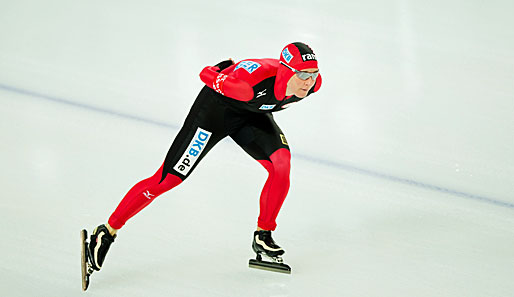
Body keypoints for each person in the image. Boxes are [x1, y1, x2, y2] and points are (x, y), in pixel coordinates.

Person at [86, 42, 322, 272]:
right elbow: (204, 74)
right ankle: (106, 231)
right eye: (302, 75)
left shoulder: (313, 85)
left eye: (313, 75)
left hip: (251, 115)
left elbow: (300, 85)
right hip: (215, 113)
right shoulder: (247, 85)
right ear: (285, 71)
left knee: (281, 165)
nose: (308, 82)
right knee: (167, 179)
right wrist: (217, 69)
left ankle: (263, 234)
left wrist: (307, 79)